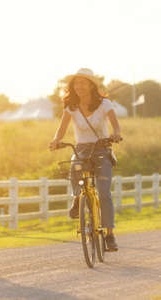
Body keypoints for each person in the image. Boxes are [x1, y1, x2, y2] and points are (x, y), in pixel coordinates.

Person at [49, 68, 122, 251]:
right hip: (81, 149)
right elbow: (62, 128)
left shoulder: (105, 104)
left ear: (91, 85)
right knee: (74, 166)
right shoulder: (70, 107)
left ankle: (109, 234)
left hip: (102, 149)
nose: (79, 86)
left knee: (104, 193)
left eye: (83, 83)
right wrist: (56, 140)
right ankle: (77, 199)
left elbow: (116, 126)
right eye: (76, 83)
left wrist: (116, 134)